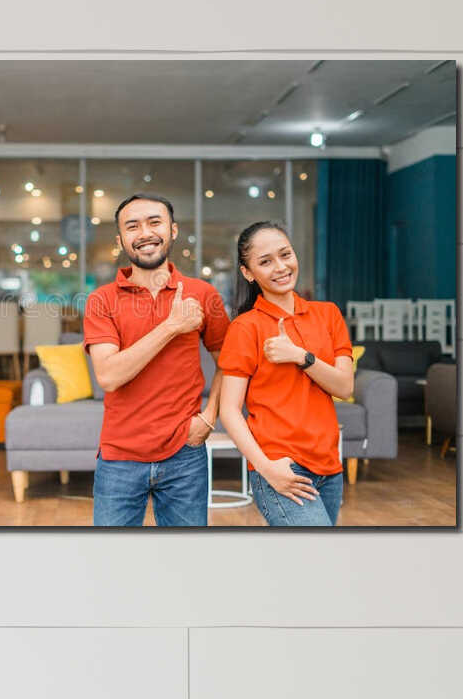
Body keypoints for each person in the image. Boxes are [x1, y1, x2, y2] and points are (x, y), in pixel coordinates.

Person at [81, 194, 228, 527]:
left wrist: (208, 418)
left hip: (184, 454)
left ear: (173, 230)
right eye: (132, 226)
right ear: (121, 240)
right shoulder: (101, 300)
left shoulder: (202, 294)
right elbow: (108, 376)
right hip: (119, 456)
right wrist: (172, 326)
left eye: (154, 222)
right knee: (112, 564)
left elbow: (230, 363)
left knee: (186, 562)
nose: (144, 232)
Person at [215, 221, 354, 527]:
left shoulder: (328, 314)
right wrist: (265, 467)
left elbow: (344, 386)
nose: (280, 267)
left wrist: (301, 357)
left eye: (285, 255)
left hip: (330, 467)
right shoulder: (245, 328)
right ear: (248, 273)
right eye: (265, 262)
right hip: (282, 467)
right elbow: (229, 410)